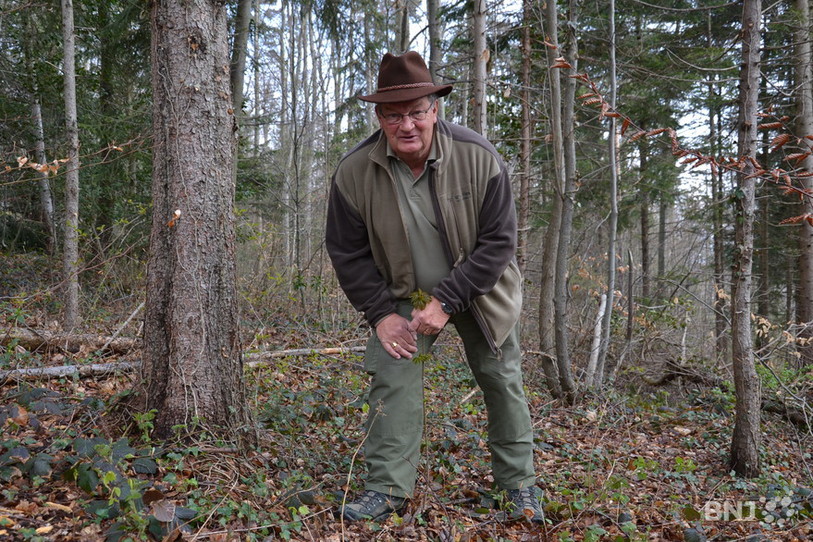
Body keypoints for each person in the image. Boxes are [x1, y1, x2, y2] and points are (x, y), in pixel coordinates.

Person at [325, 51, 543, 523]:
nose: (408, 125)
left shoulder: (476, 156)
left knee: (501, 379)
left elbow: (499, 241)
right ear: (380, 118)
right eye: (395, 114)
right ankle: (386, 489)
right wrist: (382, 315)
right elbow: (348, 253)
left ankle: (519, 488)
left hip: (480, 292)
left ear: (435, 109)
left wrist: (447, 300)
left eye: (417, 112)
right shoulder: (354, 171)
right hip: (402, 296)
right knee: (393, 377)